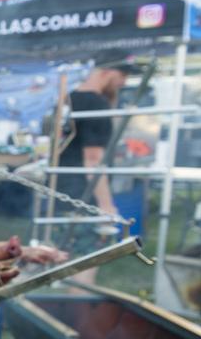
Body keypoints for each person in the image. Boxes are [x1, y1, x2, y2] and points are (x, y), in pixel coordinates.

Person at [57, 49, 139, 282]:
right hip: (84, 197)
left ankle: (59, 308)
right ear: (107, 72)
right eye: (122, 75)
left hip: (59, 190)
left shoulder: (69, 98)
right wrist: (106, 206)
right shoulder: (97, 105)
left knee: (62, 260)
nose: (124, 82)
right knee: (84, 264)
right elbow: (93, 160)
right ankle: (75, 314)